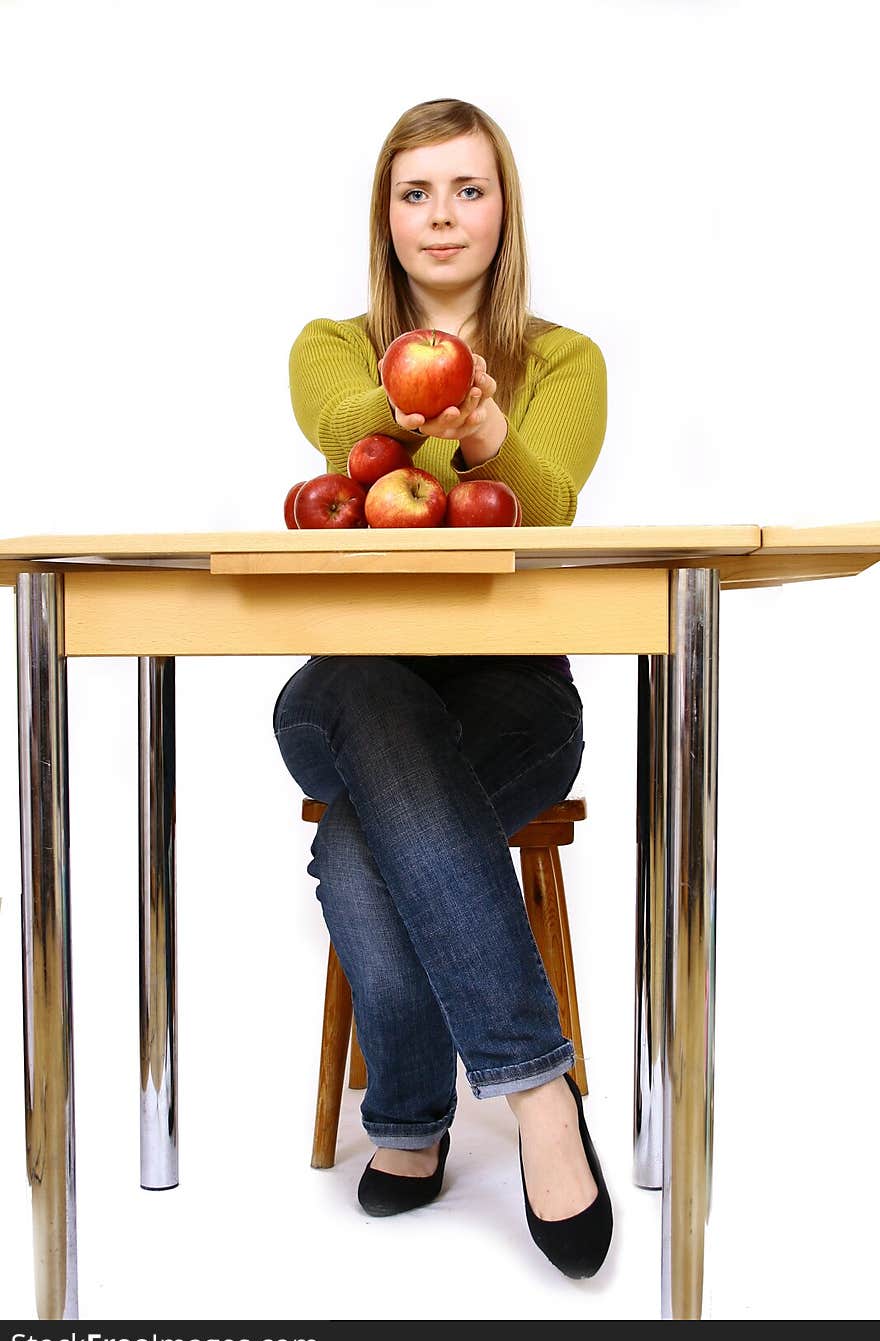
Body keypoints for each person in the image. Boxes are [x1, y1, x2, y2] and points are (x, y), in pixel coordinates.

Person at [273, 98, 611, 1279]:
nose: (442, 216)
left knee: (369, 838)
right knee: (370, 709)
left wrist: (492, 432)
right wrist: (425, 396)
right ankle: (539, 1091)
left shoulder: (563, 358)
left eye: (467, 189)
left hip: (513, 696)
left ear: (503, 206)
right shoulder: (334, 343)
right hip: (351, 686)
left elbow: (551, 499)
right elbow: (336, 429)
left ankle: (409, 1117)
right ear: (386, 216)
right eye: (415, 193)